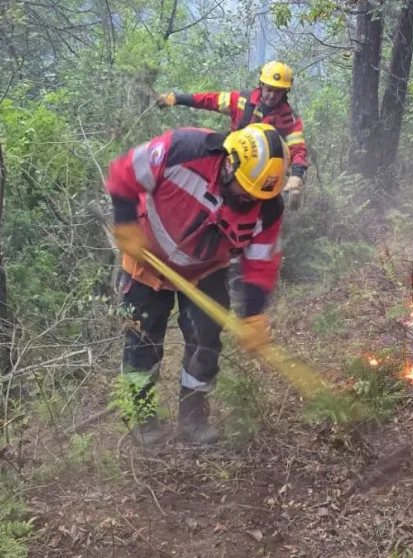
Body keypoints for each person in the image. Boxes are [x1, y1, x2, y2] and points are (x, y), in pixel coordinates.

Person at [105, 123, 288, 446]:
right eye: (245, 190)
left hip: (205, 270)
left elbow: (260, 261)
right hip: (146, 262)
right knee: (141, 344)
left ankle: (193, 418)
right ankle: (143, 418)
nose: (249, 200)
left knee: (206, 343)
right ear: (230, 164)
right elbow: (124, 172)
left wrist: (253, 314)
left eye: (258, 195)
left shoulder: (268, 206)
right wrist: (125, 223)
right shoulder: (182, 150)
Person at [156, 60, 308, 211]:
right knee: (202, 146)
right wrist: (175, 99)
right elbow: (209, 100)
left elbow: (298, 149)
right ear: (261, 85)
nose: (272, 95)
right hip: (230, 162)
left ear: (285, 92)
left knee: (272, 209)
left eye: (278, 91)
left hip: (260, 177)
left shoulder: (289, 119)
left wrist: (297, 176)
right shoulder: (241, 101)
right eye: (269, 89)